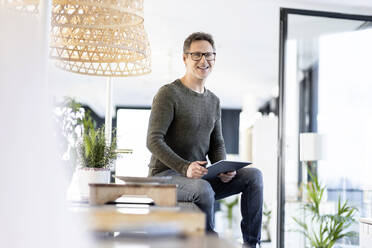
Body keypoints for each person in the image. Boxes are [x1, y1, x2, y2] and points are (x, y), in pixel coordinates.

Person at [146, 32, 263, 248]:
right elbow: (153, 140)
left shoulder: (214, 101)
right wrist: (185, 167)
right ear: (185, 58)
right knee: (202, 189)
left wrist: (224, 167)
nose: (203, 60)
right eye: (197, 55)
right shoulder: (168, 93)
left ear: (214, 59)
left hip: (199, 177)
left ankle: (251, 244)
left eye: (209, 55)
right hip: (165, 177)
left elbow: (216, 143)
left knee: (253, 175)